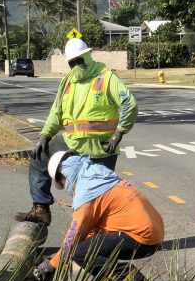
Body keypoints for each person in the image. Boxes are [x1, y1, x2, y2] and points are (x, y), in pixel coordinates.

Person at [15, 37, 138, 226]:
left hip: (100, 148)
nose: (77, 65)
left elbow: (129, 103)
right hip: (72, 143)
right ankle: (40, 208)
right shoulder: (68, 81)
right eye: (73, 62)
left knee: (96, 192)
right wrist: (45, 136)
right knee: (39, 157)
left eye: (80, 60)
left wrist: (119, 132)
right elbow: (57, 111)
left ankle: (98, 231)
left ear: (88, 56)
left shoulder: (106, 77)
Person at [34, 151, 164, 281]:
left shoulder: (86, 192)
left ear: (64, 175)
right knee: (82, 250)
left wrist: (52, 264)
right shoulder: (97, 175)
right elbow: (88, 235)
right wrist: (59, 255)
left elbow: (74, 234)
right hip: (152, 232)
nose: (64, 186)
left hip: (142, 237)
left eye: (61, 182)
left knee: (80, 254)